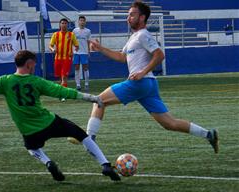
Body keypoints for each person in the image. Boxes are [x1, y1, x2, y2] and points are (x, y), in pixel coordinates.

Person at [0, 50, 120, 181]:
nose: (35, 67)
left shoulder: (5, 81)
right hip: (49, 122)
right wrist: (90, 97)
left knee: (32, 148)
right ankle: (105, 164)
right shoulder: (36, 81)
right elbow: (62, 91)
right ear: (29, 64)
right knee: (80, 134)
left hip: (28, 130)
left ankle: (48, 162)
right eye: (34, 65)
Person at [86, 2, 219, 154]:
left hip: (140, 83)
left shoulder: (143, 35)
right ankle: (209, 134)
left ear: (142, 18)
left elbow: (160, 54)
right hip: (148, 86)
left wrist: (142, 72)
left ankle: (89, 139)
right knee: (170, 123)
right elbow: (122, 57)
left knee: (98, 101)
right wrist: (100, 48)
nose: (128, 18)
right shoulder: (134, 37)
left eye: (132, 14)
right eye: (128, 15)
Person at [49, 18, 79, 90]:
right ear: (60, 25)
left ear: (67, 25)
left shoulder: (71, 35)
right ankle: (62, 90)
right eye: (62, 23)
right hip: (58, 58)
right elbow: (50, 45)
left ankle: (63, 94)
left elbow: (77, 46)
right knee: (60, 76)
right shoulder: (55, 34)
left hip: (67, 58)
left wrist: (74, 52)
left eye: (65, 23)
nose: (64, 25)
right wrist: (53, 49)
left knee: (64, 76)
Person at [73, 16, 91, 92]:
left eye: (83, 20)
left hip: (84, 52)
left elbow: (88, 41)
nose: (82, 22)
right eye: (80, 20)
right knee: (76, 68)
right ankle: (78, 84)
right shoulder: (74, 30)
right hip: (76, 52)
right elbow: (72, 41)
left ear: (85, 22)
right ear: (78, 21)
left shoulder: (88, 31)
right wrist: (72, 50)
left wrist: (88, 51)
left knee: (85, 68)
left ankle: (86, 83)